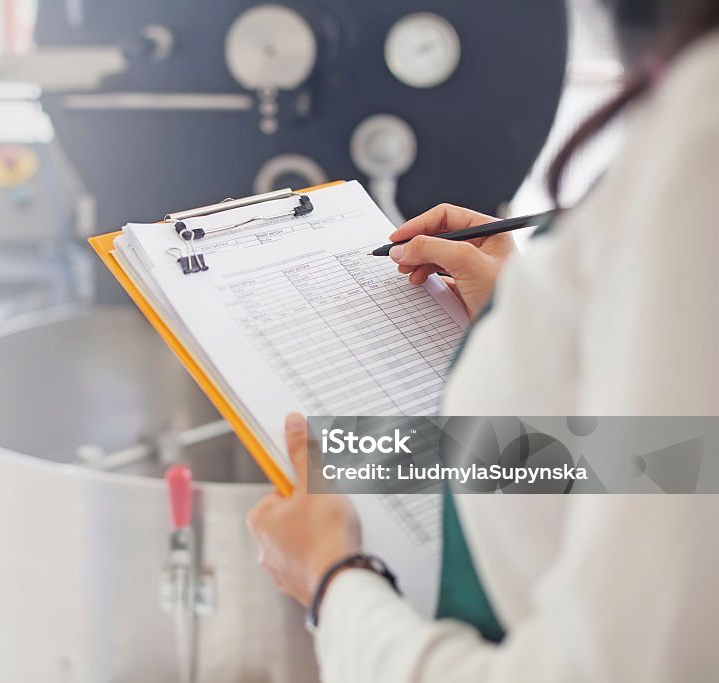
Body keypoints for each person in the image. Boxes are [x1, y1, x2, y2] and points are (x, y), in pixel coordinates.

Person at [247, 1, 719, 680]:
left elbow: (616, 666)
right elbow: (678, 462)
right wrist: (544, 342)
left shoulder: (703, 140)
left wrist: (335, 583)